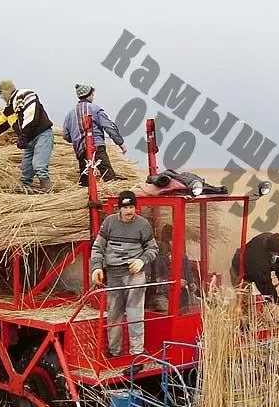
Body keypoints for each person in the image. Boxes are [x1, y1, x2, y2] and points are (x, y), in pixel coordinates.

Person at [91, 190, 158, 364]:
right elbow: (98, 247)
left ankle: (137, 354)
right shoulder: (109, 223)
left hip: (135, 274)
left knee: (135, 313)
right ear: (119, 208)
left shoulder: (143, 225)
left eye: (132, 207)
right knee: (114, 313)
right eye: (126, 207)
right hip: (113, 274)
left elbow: (153, 249)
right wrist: (97, 268)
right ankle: (114, 353)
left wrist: (142, 261)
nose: (129, 211)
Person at [0, 80, 54, 193]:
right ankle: (26, 198)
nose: (1, 97)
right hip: (28, 140)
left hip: (42, 135)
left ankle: (49, 195)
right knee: (26, 172)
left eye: (1, 93)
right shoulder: (9, 110)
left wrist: (24, 136)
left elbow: (31, 114)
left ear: (7, 90)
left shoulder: (26, 95)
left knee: (39, 166)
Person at [63, 83, 127, 185]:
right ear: (89, 95)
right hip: (96, 147)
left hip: (80, 151)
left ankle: (88, 198)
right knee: (107, 174)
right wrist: (120, 143)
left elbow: (66, 135)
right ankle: (113, 196)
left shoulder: (70, 114)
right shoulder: (95, 109)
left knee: (85, 180)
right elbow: (108, 126)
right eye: (92, 94)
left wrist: (76, 139)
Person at [147, 224, 200, 310]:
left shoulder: (183, 257)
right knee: (165, 308)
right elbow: (155, 281)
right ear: (166, 242)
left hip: (182, 295)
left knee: (203, 306)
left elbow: (189, 274)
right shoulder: (157, 257)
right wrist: (174, 283)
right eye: (172, 241)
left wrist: (192, 283)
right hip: (162, 296)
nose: (176, 243)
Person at [230, 232, 279, 304]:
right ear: (269, 251)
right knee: (249, 305)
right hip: (239, 271)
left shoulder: (273, 240)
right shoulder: (258, 260)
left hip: (254, 268)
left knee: (263, 302)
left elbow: (278, 260)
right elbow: (265, 286)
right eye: (276, 253)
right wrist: (277, 301)